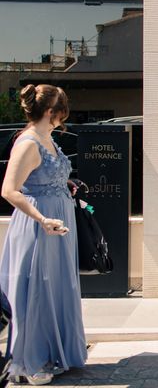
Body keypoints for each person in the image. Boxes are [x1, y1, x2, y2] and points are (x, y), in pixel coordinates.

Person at [0, 85, 87, 385]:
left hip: (60, 224)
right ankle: (30, 361)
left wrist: (67, 186)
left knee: (57, 286)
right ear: (51, 112)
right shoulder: (27, 143)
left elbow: (49, 176)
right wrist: (42, 219)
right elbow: (9, 190)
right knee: (37, 289)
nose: (63, 118)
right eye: (61, 112)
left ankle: (56, 351)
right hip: (39, 225)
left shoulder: (48, 139)